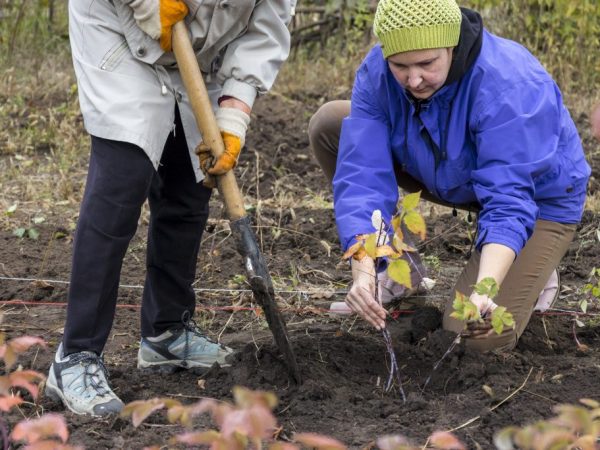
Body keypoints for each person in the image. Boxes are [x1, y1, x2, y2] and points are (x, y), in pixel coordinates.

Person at [45, 0, 293, 416]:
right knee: (123, 175)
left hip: (200, 52)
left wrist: (233, 116)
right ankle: (75, 355)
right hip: (119, 30)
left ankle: (166, 332)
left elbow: (266, 28)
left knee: (191, 174)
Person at [309, 0, 590, 351]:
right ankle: (397, 271)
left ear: (452, 46)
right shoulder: (376, 73)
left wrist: (485, 289)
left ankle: (530, 261)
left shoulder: (509, 85)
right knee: (332, 124)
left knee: (473, 335)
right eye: (400, 66)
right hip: (449, 171)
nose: (413, 80)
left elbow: (509, 200)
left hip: (536, 197)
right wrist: (365, 269)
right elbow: (362, 175)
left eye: (427, 63)